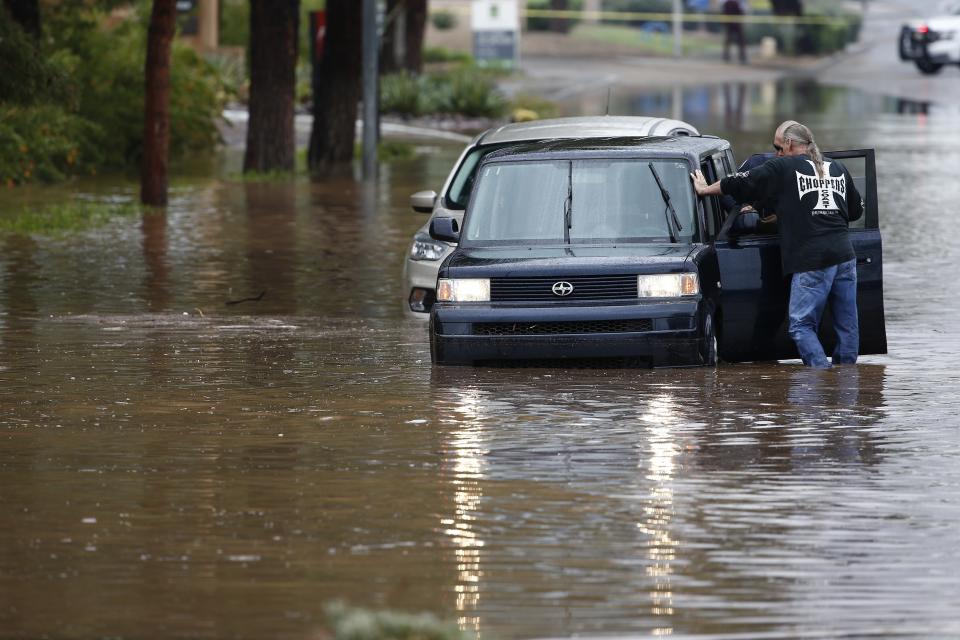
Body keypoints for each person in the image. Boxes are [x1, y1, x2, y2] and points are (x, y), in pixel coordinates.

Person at [691, 120, 864, 368]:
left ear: (790, 143)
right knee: (847, 326)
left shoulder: (783, 166)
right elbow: (856, 211)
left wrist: (706, 189)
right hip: (845, 257)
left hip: (811, 260)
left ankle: (823, 378)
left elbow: (739, 182)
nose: (775, 153)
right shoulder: (837, 168)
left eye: (777, 147)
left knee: (801, 326)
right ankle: (847, 386)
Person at [722, 0, 748, 64]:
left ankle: (742, 57)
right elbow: (723, 13)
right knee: (728, 40)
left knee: (740, 41)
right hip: (730, 24)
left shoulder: (740, 3)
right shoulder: (726, 3)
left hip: (737, 24)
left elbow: (743, 12)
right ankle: (726, 56)